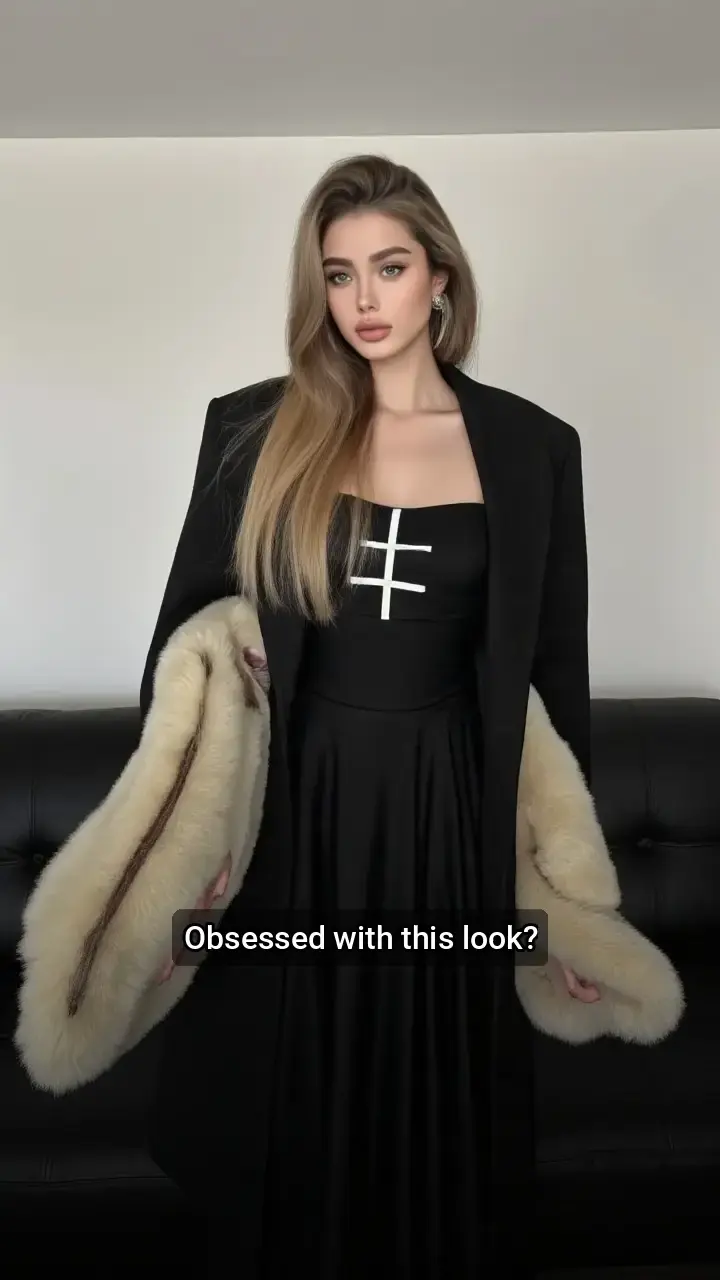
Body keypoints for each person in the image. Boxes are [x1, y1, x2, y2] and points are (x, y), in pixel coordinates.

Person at [138, 152, 597, 1278]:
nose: (363, 300)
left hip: (453, 810)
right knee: (278, 1097)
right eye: (338, 275)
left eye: (389, 268)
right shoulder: (255, 429)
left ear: (441, 276)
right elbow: (187, 647)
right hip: (297, 803)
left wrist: (572, 900)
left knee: (441, 1101)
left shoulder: (535, 448)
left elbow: (553, 679)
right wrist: (188, 838)